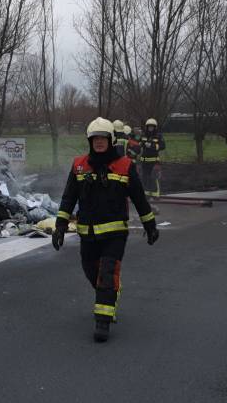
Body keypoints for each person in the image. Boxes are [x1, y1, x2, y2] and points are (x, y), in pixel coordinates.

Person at [52, 117, 159, 342]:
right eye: (95, 139)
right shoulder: (79, 165)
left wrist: (150, 225)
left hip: (115, 234)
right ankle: (109, 293)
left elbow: (139, 199)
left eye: (103, 138)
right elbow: (68, 198)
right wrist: (60, 226)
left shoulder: (124, 166)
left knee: (107, 274)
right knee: (93, 273)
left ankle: (102, 322)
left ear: (110, 140)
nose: (99, 142)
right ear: (90, 141)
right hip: (87, 235)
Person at [140, 118, 165, 198]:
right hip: (144, 161)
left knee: (154, 178)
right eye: (149, 127)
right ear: (146, 127)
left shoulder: (159, 136)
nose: (150, 128)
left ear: (155, 127)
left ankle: (155, 194)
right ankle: (146, 194)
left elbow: (162, 146)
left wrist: (152, 146)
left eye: (152, 127)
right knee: (145, 178)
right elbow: (140, 143)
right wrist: (141, 144)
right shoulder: (143, 135)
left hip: (154, 161)